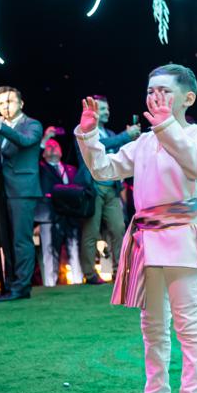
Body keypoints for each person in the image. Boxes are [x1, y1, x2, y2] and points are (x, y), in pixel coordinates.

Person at [75, 64, 197, 393]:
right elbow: (104, 169)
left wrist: (167, 127)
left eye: (164, 90)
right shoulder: (144, 142)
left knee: (188, 326)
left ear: (188, 98)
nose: (156, 96)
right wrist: (89, 135)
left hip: (183, 236)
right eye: (151, 90)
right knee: (152, 326)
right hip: (147, 241)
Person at [76, 95, 139, 285]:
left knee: (118, 228)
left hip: (112, 188)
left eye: (107, 108)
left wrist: (131, 139)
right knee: (91, 232)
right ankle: (90, 274)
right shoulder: (84, 131)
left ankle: (120, 269)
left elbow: (120, 154)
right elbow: (101, 146)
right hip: (93, 188)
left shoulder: (110, 133)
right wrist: (125, 136)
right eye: (102, 109)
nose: (107, 112)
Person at [0, 86, 44, 302]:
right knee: (6, 241)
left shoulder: (32, 125)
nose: (5, 107)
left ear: (21, 103)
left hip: (22, 189)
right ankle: (9, 283)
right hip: (2, 190)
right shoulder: (0, 127)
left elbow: (24, 141)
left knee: (21, 240)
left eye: (9, 101)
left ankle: (22, 286)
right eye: (0, 103)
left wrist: (1, 127)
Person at [36, 139, 83, 286]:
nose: (52, 147)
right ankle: (50, 284)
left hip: (70, 215)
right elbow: (32, 158)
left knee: (74, 248)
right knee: (49, 251)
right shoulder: (39, 168)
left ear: (61, 152)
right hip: (49, 216)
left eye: (56, 145)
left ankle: (78, 281)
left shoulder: (71, 169)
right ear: (43, 153)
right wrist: (43, 141)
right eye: (48, 146)